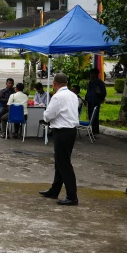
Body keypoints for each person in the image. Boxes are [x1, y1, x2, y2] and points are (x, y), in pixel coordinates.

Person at [38, 73, 81, 206]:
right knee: (60, 162)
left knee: (64, 164)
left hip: (62, 131)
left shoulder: (57, 97)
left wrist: (45, 115)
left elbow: (48, 115)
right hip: (71, 131)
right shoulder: (73, 95)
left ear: (55, 84)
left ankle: (72, 196)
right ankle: (54, 190)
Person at [85, 68, 108, 137]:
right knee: (90, 116)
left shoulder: (100, 83)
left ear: (95, 74)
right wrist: (86, 98)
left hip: (96, 101)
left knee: (94, 116)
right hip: (89, 100)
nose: (90, 75)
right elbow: (88, 91)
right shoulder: (90, 82)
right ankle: (90, 130)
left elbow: (103, 93)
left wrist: (100, 98)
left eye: (92, 73)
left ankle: (95, 131)